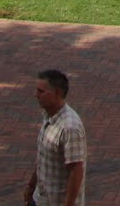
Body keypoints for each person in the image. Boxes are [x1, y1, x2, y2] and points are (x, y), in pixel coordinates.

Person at [26, 68, 85, 206]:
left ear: (57, 93)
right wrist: (31, 185)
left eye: (41, 91)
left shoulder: (70, 127)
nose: (36, 95)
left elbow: (76, 171)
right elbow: (43, 157)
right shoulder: (48, 115)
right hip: (40, 199)